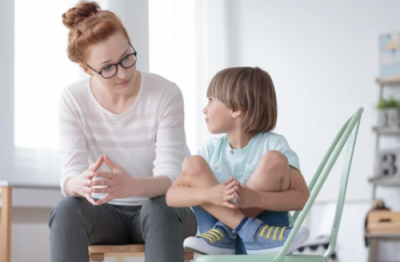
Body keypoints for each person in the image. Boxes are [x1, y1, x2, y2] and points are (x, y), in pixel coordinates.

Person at [48, 2, 196, 262]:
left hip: (162, 213)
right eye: (108, 68)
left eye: (127, 57)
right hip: (105, 216)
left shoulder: (165, 93)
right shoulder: (73, 99)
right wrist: (79, 183)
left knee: (160, 207)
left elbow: (171, 177)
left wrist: (131, 186)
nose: (123, 73)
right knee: (67, 209)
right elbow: (68, 177)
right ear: (86, 69)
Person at [166, 67, 310, 255]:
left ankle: (229, 232)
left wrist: (256, 198)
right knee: (192, 164)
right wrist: (211, 194)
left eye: (210, 100)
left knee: (274, 159)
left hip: (268, 243)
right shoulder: (210, 152)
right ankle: (242, 232)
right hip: (221, 244)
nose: (205, 109)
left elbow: (302, 198)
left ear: (235, 109)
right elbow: (171, 196)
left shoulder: (273, 145)